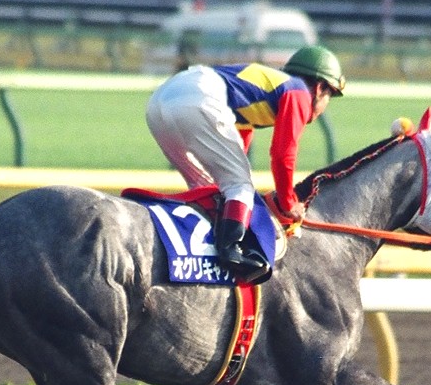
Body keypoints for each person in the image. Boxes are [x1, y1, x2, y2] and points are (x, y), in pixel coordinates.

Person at [145, 45, 346, 282]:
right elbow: (283, 154)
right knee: (240, 186)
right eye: (330, 96)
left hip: (160, 100)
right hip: (197, 98)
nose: (325, 106)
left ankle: (196, 246)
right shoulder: (300, 92)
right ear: (321, 88)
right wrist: (288, 202)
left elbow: (239, 143)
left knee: (206, 185)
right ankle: (230, 250)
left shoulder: (265, 90)